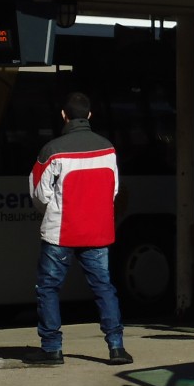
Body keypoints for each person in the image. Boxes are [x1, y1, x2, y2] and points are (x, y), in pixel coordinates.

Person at [26, 92, 131, 366]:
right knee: (103, 287)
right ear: (90, 116)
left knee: (48, 287)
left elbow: (39, 193)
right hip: (97, 233)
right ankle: (116, 347)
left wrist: (51, 212)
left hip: (60, 232)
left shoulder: (52, 150)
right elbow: (114, 189)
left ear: (64, 115)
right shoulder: (108, 148)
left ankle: (52, 348)